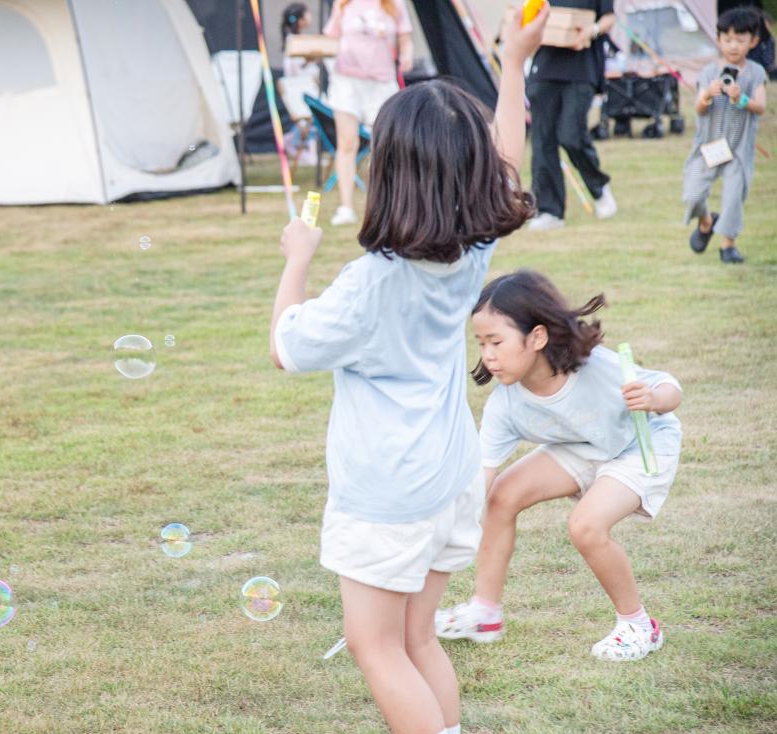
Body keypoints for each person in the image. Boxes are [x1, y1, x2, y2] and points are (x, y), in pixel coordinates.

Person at [269, 9, 548, 733]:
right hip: (447, 476)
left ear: (386, 171)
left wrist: (297, 258)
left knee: (375, 645)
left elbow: (286, 347)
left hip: (388, 492)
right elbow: (507, 158)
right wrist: (512, 63)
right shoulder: (471, 248)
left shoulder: (371, 284)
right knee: (419, 637)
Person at [435, 270, 683, 662]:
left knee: (586, 526)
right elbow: (482, 476)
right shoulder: (506, 402)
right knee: (501, 497)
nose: (487, 356)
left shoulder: (594, 366)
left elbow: (671, 389)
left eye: (496, 342)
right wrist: (442, 526)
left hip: (641, 443)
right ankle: (484, 614)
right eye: (481, 344)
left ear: (537, 336)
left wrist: (652, 398)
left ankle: (639, 625)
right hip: (580, 446)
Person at [683, 7, 767, 265]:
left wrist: (740, 98)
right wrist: (708, 94)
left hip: (739, 148)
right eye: (727, 39)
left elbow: (760, 107)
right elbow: (699, 108)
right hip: (708, 145)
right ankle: (706, 221)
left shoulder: (755, 72)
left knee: (733, 196)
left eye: (740, 40)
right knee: (693, 193)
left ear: (753, 41)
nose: (733, 46)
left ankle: (728, 245)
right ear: (718, 39)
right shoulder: (709, 73)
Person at [526, 0, 618, 231]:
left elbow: (609, 17)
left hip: (581, 67)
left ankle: (599, 186)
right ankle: (550, 210)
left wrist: (593, 30)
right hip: (545, 67)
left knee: (571, 135)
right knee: (542, 141)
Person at [322, 0, 413, 227]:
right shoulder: (343, 4)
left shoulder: (395, 5)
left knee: (385, 144)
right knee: (347, 143)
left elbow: (405, 40)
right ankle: (346, 206)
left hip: (382, 81)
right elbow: (330, 39)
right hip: (347, 80)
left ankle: (388, 205)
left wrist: (406, 56)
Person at [279, 3, 320, 167]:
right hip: (300, 88)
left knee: (309, 121)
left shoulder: (297, 39)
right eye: (308, 14)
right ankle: (297, 144)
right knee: (308, 120)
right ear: (301, 19)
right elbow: (294, 68)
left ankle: (300, 145)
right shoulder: (294, 41)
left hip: (306, 86)